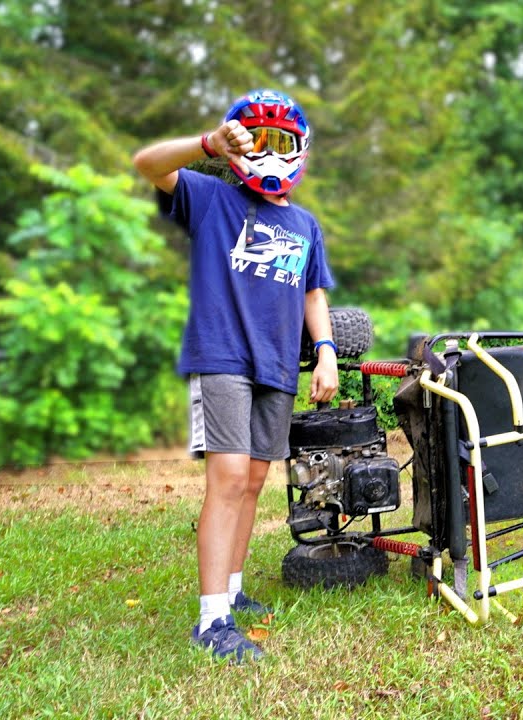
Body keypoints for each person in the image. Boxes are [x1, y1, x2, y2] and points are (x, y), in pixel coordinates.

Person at [132, 89, 338, 663]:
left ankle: (232, 589)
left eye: (282, 141)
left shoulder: (304, 223)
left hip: (277, 366)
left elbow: (312, 294)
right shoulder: (210, 196)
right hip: (222, 355)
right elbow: (146, 163)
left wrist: (325, 351)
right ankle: (211, 620)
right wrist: (207, 145)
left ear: (301, 150)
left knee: (251, 482)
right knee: (225, 481)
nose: (269, 152)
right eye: (256, 138)